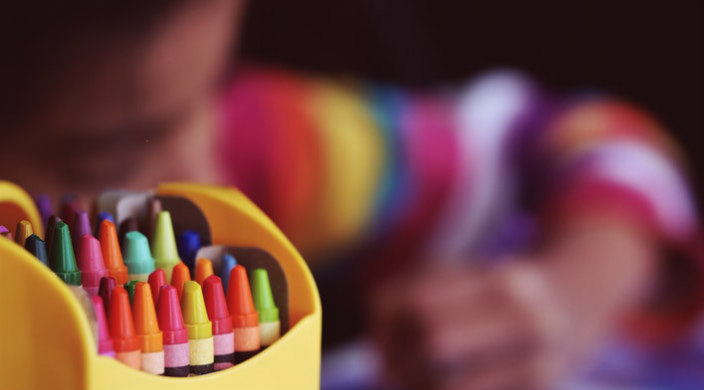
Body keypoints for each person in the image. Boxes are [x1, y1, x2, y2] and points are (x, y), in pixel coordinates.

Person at [1, 1, 701, 388]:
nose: (204, 174)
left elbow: (587, 140)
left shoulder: (255, 144)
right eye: (109, 155)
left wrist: (564, 297)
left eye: (214, 87)